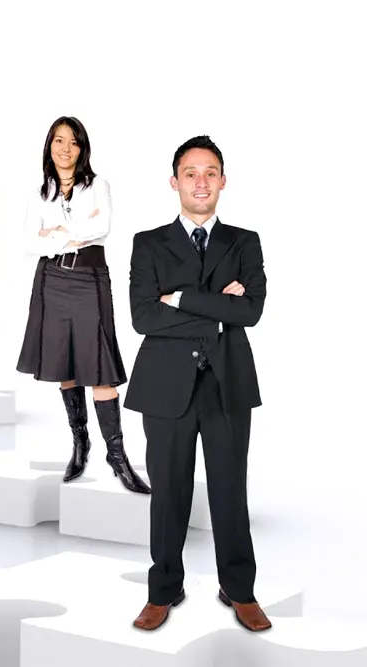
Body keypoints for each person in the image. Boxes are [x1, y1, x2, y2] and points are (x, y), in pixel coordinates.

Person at [125, 135, 270, 632]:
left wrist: (181, 299)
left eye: (210, 172)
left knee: (231, 488)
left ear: (223, 181)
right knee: (168, 491)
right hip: (165, 384)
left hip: (228, 382)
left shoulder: (244, 242)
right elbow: (143, 317)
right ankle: (163, 589)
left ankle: (239, 588)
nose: (201, 181)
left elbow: (250, 311)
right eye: (191, 172)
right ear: (174, 182)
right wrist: (217, 310)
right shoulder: (148, 243)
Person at [16, 116, 149, 495]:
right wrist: (62, 237)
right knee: (66, 367)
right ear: (49, 146)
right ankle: (80, 443)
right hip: (52, 281)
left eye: (73, 142)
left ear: (82, 148)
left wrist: (54, 232)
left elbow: (102, 227)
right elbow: (30, 242)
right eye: (58, 141)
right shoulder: (38, 193)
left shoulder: (98, 185)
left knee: (100, 370)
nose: (65, 148)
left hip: (90, 279)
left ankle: (118, 457)